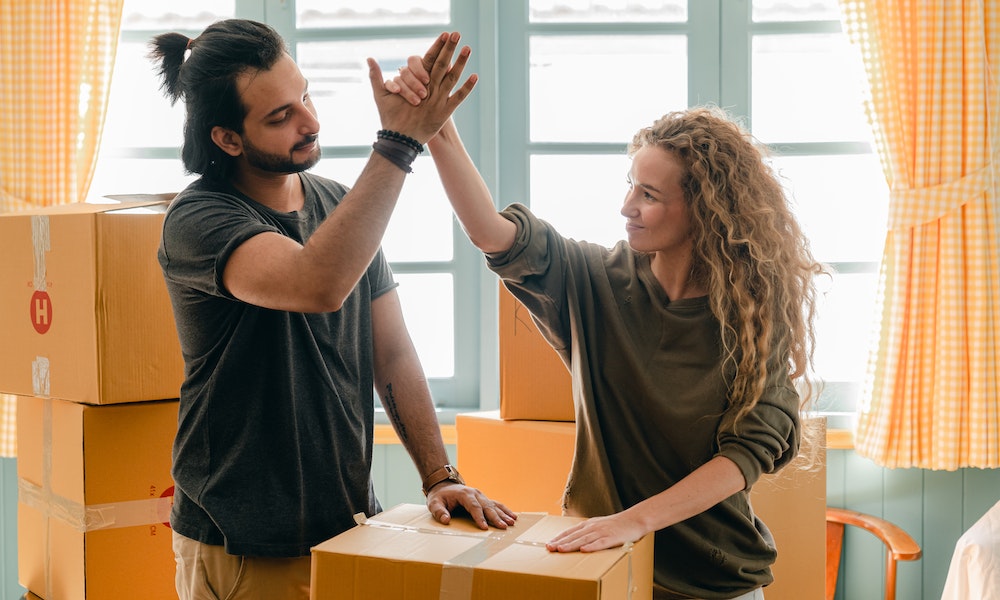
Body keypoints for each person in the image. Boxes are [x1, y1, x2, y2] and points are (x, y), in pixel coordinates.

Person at [390, 42, 823, 600]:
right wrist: (437, 130)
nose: (626, 206)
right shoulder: (592, 279)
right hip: (598, 565)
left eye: (648, 194)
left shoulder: (751, 315)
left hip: (711, 582)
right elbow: (492, 234)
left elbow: (744, 456)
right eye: (630, 184)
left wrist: (633, 521)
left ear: (704, 210)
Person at [148, 22, 516, 600]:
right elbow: (316, 284)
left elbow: (391, 352)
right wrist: (398, 142)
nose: (310, 121)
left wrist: (439, 476)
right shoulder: (199, 220)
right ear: (227, 139)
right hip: (243, 543)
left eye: (306, 95)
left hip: (348, 528)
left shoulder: (338, 202)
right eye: (279, 117)